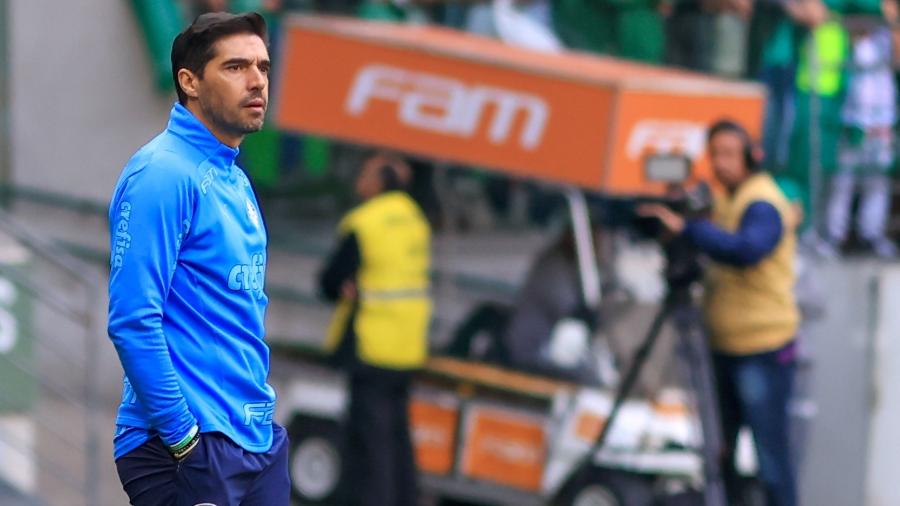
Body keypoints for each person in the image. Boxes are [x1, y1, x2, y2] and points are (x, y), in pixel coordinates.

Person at [108, 12, 289, 506]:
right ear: (189, 81)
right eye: (235, 67)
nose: (256, 81)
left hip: (255, 438)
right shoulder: (161, 173)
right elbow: (131, 320)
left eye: (263, 67)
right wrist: (184, 438)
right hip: (187, 445)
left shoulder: (236, 178)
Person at [640, 119, 800, 506]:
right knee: (720, 452)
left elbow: (745, 249)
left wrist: (688, 229)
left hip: (761, 348)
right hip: (725, 345)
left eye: (729, 154)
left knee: (771, 459)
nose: (721, 163)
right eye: (715, 155)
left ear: (750, 156)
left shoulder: (762, 202)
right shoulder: (722, 197)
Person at [318, 151, 432, 506]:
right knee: (398, 438)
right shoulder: (417, 220)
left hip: (372, 345)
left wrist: (346, 285)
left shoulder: (366, 222)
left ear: (380, 182)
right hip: (407, 347)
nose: (359, 180)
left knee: (370, 444)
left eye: (365, 173)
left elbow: (329, 281)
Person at [822, 0, 900, 258]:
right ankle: (834, 235)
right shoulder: (853, 35)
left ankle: (871, 235)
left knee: (876, 181)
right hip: (852, 118)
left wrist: (892, 23)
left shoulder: (887, 37)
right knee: (844, 181)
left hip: (882, 119)